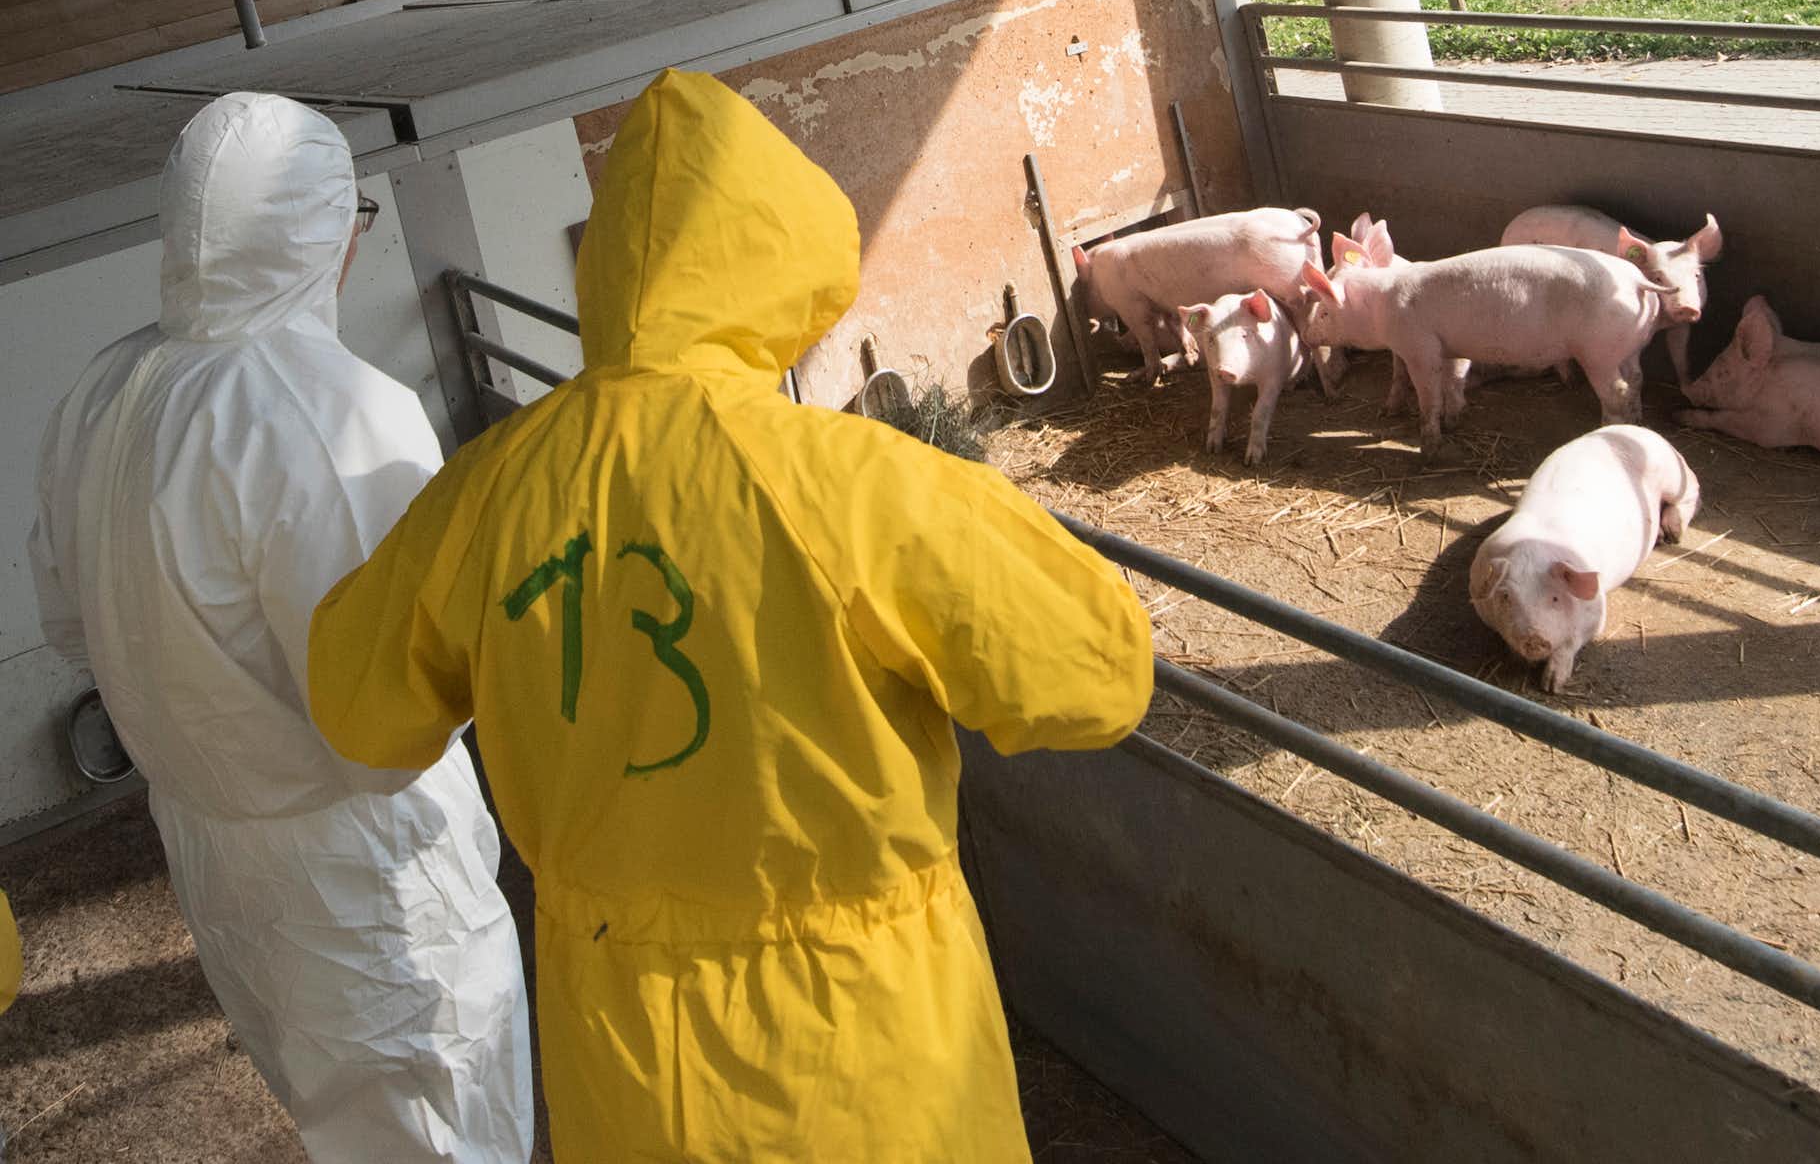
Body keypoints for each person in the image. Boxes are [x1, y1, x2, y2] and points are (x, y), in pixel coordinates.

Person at [307, 69, 1155, 1162]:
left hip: (623, 1062)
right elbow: (1098, 675)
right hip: (866, 1063)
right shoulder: (854, 485)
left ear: (607, 267)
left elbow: (353, 708)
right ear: (783, 258)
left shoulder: (483, 494)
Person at [27, 93, 534, 1162]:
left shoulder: (101, 391)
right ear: (313, 227)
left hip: (213, 847)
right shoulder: (335, 408)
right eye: (350, 211)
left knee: (340, 1122)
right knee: (443, 1119)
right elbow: (394, 693)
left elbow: (70, 623)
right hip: (363, 863)